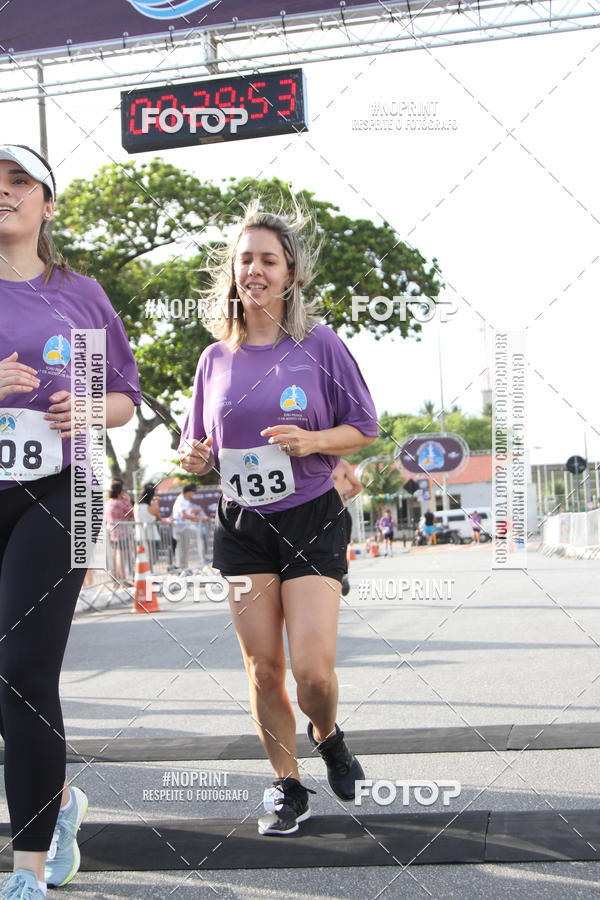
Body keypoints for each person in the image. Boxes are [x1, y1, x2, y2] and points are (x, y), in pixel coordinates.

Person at [179, 200, 378, 836]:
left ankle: (328, 732)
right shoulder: (214, 358)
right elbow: (198, 452)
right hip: (242, 524)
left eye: (269, 260)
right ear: (232, 273)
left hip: (312, 515)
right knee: (264, 668)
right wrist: (195, 456)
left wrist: (313, 441)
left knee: (313, 672)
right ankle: (287, 786)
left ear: (289, 273)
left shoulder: (317, 344)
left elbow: (364, 428)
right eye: (246, 260)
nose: (256, 270)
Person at [0, 144, 141, 898]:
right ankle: (55, 806)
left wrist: (88, 408)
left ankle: (24, 871)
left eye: (19, 182)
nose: (4, 192)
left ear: (48, 204)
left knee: (23, 669)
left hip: (65, 489)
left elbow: (123, 397)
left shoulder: (79, 295)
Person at [331, 458, 362, 595]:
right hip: (320, 515)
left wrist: (345, 495)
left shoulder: (342, 464)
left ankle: (343, 576)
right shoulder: (312, 461)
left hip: (341, 512)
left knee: (341, 550)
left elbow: (357, 486)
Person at [172, 483, 207, 572]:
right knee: (183, 550)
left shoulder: (184, 500)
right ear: (188, 492)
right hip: (182, 529)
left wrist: (195, 514)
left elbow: (187, 513)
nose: (193, 495)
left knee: (185, 550)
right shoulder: (182, 500)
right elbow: (183, 515)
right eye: (193, 492)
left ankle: (185, 569)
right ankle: (183, 570)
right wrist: (199, 518)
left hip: (184, 528)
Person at [105, 479, 135, 583]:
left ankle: (115, 579)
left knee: (114, 556)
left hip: (111, 533)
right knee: (121, 556)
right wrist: (128, 501)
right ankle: (123, 579)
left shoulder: (108, 502)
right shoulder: (121, 502)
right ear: (120, 491)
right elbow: (132, 513)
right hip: (122, 534)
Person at [134, 482, 165, 571]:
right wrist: (156, 502)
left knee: (141, 559)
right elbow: (158, 517)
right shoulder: (153, 507)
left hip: (140, 536)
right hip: (152, 537)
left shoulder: (136, 506)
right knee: (152, 559)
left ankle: (145, 575)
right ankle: (149, 575)